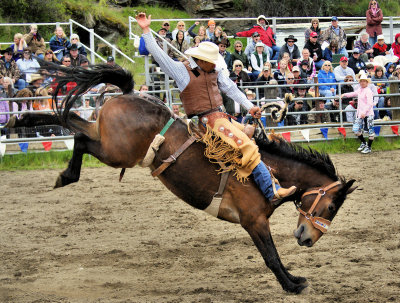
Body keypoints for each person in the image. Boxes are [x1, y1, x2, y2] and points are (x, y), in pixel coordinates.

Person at [136, 12, 296, 202]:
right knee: (245, 145)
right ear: (202, 60)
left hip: (221, 118)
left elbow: (231, 88)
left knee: (251, 133)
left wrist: (249, 106)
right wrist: (146, 30)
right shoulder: (182, 71)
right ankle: (271, 191)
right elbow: (160, 56)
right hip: (207, 121)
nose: (215, 64)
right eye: (212, 61)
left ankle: (257, 181)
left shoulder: (214, 72)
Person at [341, 74, 375, 153]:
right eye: (361, 81)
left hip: (368, 114)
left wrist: (364, 112)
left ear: (367, 82)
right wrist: (345, 94)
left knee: (370, 131)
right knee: (356, 129)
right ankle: (364, 143)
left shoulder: (368, 91)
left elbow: (370, 104)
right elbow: (353, 93)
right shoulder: (360, 90)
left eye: (364, 81)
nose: (362, 83)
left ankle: (368, 147)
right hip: (360, 113)